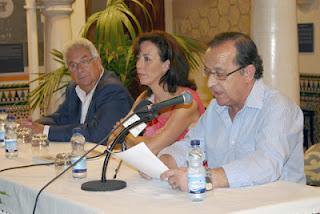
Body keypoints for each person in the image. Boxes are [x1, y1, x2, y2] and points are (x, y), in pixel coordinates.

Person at [159, 32, 306, 190]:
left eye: (220, 74)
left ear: (248, 73)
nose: (210, 83)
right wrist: (164, 162)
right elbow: (191, 145)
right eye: (208, 73)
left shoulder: (278, 108)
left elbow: (267, 164)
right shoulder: (215, 109)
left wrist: (206, 178)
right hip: (230, 204)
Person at [109, 31, 205, 155]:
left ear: (166, 65)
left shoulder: (186, 102)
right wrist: (127, 136)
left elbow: (151, 148)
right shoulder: (146, 98)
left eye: (147, 59)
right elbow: (112, 141)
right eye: (138, 58)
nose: (138, 65)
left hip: (187, 171)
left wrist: (125, 136)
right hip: (149, 170)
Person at [22, 38, 133, 143]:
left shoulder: (112, 90)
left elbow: (98, 135)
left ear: (98, 62)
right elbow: (60, 118)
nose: (79, 69)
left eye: (84, 61)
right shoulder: (74, 89)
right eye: (73, 65)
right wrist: (32, 126)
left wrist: (45, 131)